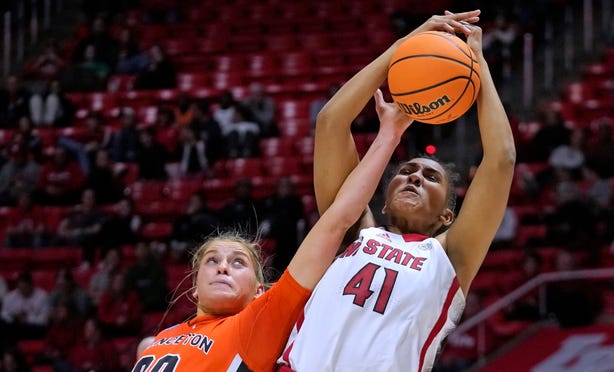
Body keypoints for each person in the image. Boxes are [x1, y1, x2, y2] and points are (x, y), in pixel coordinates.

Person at [132, 46, 413, 370]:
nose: (223, 267)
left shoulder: (258, 319)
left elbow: (336, 220)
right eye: (212, 260)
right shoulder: (158, 342)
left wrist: (389, 135)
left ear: (259, 291)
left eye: (238, 263)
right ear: (194, 288)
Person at [278, 10, 516, 371]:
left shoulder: (450, 257)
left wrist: (476, 65)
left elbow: (501, 160)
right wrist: (406, 47)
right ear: (384, 203)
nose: (414, 177)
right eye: (406, 171)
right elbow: (331, 122)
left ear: (447, 216)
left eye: (430, 177)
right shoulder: (351, 231)